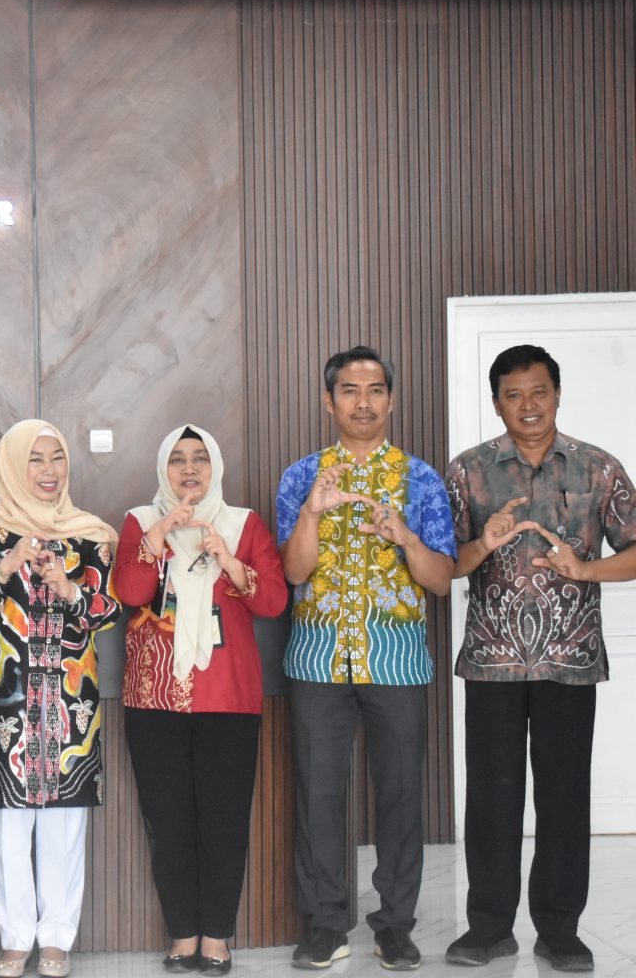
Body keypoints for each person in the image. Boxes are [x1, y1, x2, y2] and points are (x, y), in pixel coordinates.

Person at [442, 345, 636, 973]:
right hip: (492, 662)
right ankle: (488, 928)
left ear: (557, 394)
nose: (528, 405)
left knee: (564, 798)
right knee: (491, 800)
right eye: (513, 394)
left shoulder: (599, 468)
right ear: (496, 402)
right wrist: (483, 543)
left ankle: (560, 932)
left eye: (538, 392)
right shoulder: (468, 471)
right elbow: (443, 567)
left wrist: (587, 569)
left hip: (569, 662)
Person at [276, 347, 456, 971]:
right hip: (317, 659)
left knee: (401, 795)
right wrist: (312, 512)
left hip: (396, 661)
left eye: (375, 390)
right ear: (329, 401)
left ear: (391, 399)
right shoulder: (302, 476)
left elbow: (441, 580)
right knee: (318, 794)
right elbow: (293, 572)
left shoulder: (421, 479)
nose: (363, 402)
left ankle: (396, 926)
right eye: (349, 391)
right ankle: (326, 924)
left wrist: (404, 536)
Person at [111, 425, 287, 976]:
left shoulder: (243, 524)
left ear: (215, 468)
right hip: (153, 695)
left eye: (200, 459)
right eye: (178, 460)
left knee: (224, 822)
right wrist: (160, 534)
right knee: (168, 822)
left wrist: (229, 561)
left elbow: (273, 602)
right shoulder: (141, 521)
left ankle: (216, 936)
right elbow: (131, 592)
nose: (189, 469)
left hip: (228, 695)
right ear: (164, 469)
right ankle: (182, 933)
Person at [0, 420, 120, 978]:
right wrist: (9, 563)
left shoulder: (90, 534)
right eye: (35, 459)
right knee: (8, 825)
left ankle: (56, 938)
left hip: (72, 699)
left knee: (64, 826)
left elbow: (106, 613)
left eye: (57, 458)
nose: (49, 472)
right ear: (13, 464)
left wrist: (68, 587)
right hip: (3, 701)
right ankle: (16, 936)